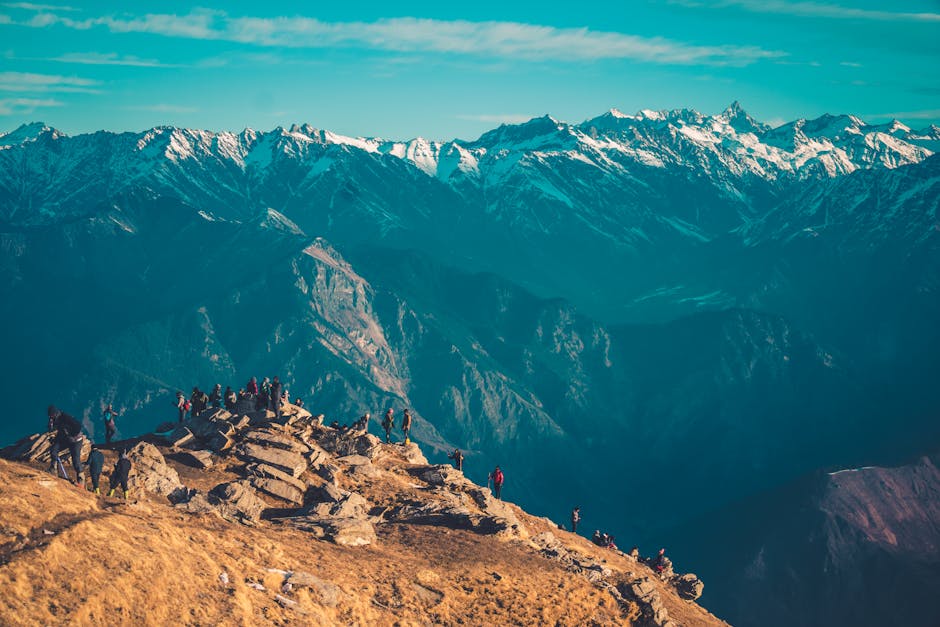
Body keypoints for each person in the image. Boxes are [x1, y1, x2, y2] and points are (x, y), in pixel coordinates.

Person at [47, 405, 84, 484]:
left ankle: (81, 479)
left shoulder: (66, 417)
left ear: (56, 413)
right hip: (66, 439)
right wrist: (55, 438)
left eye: (52, 415)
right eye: (50, 416)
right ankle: (53, 469)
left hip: (76, 440)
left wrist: (72, 435)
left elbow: (78, 426)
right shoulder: (55, 420)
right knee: (54, 450)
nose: (51, 417)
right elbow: (60, 431)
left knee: (76, 459)